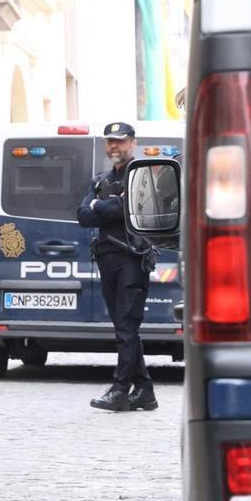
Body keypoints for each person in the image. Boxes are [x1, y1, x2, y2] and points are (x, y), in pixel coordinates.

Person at [78, 121, 159, 412]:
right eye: (110, 141)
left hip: (133, 258)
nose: (114, 146)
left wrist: (102, 207)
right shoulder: (100, 180)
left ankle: (121, 389)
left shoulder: (144, 176)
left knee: (126, 325)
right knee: (123, 326)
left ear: (133, 143)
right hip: (107, 257)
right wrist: (107, 205)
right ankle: (145, 390)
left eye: (120, 141)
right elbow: (83, 215)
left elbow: (125, 209)